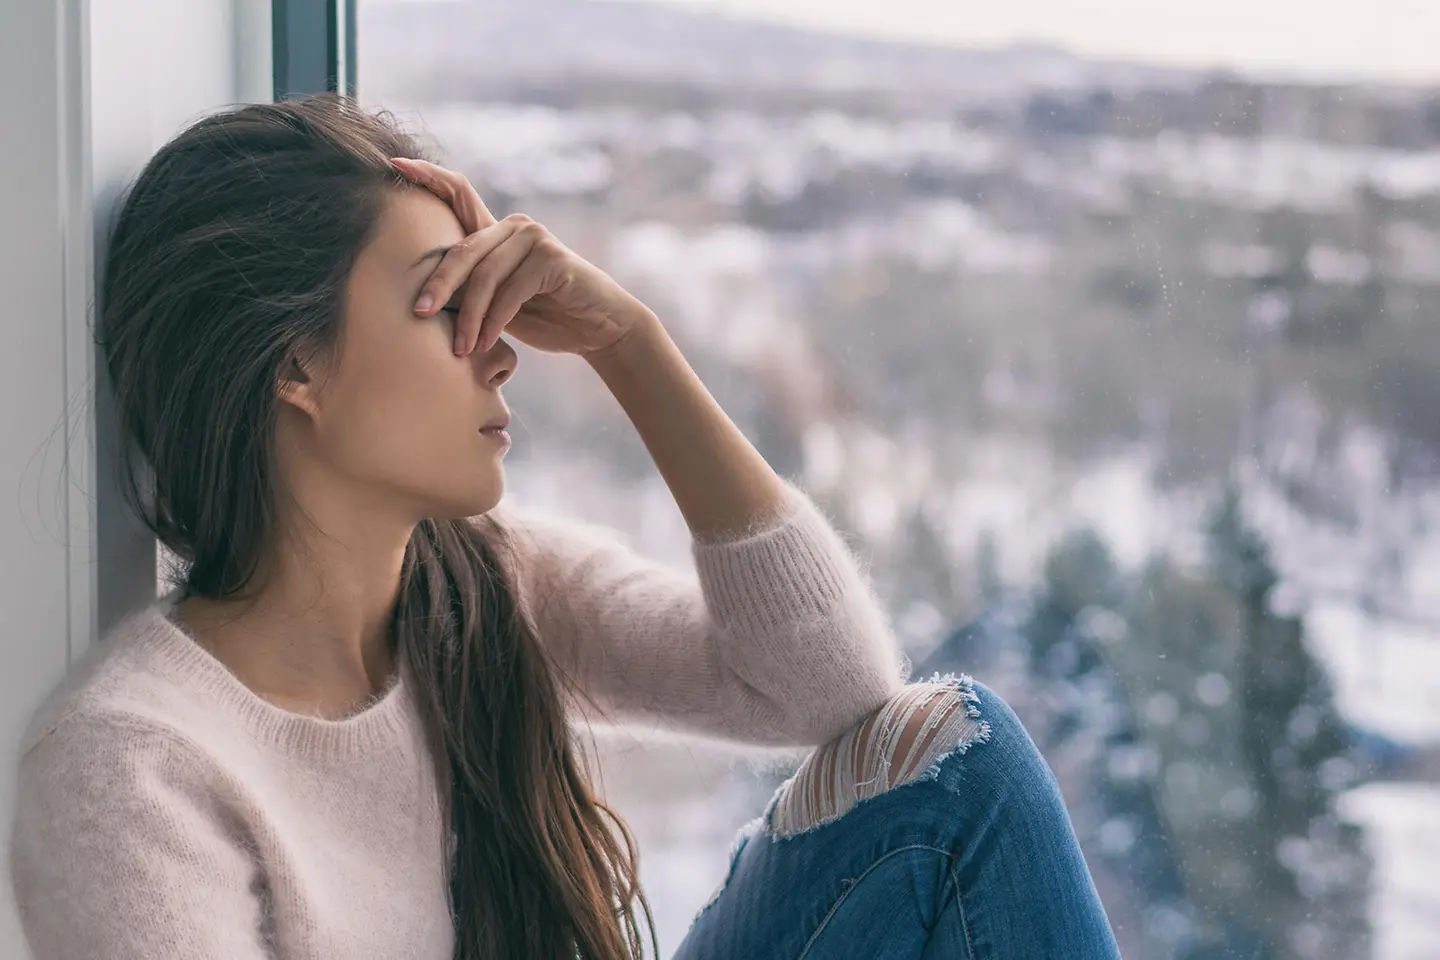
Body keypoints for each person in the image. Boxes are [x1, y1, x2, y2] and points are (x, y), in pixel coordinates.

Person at [7, 95, 1120, 960]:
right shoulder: (134, 767)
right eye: (448, 304)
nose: (502, 352)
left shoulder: (484, 584)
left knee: (962, 757)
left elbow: (832, 692)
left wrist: (628, 343)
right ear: (297, 364)